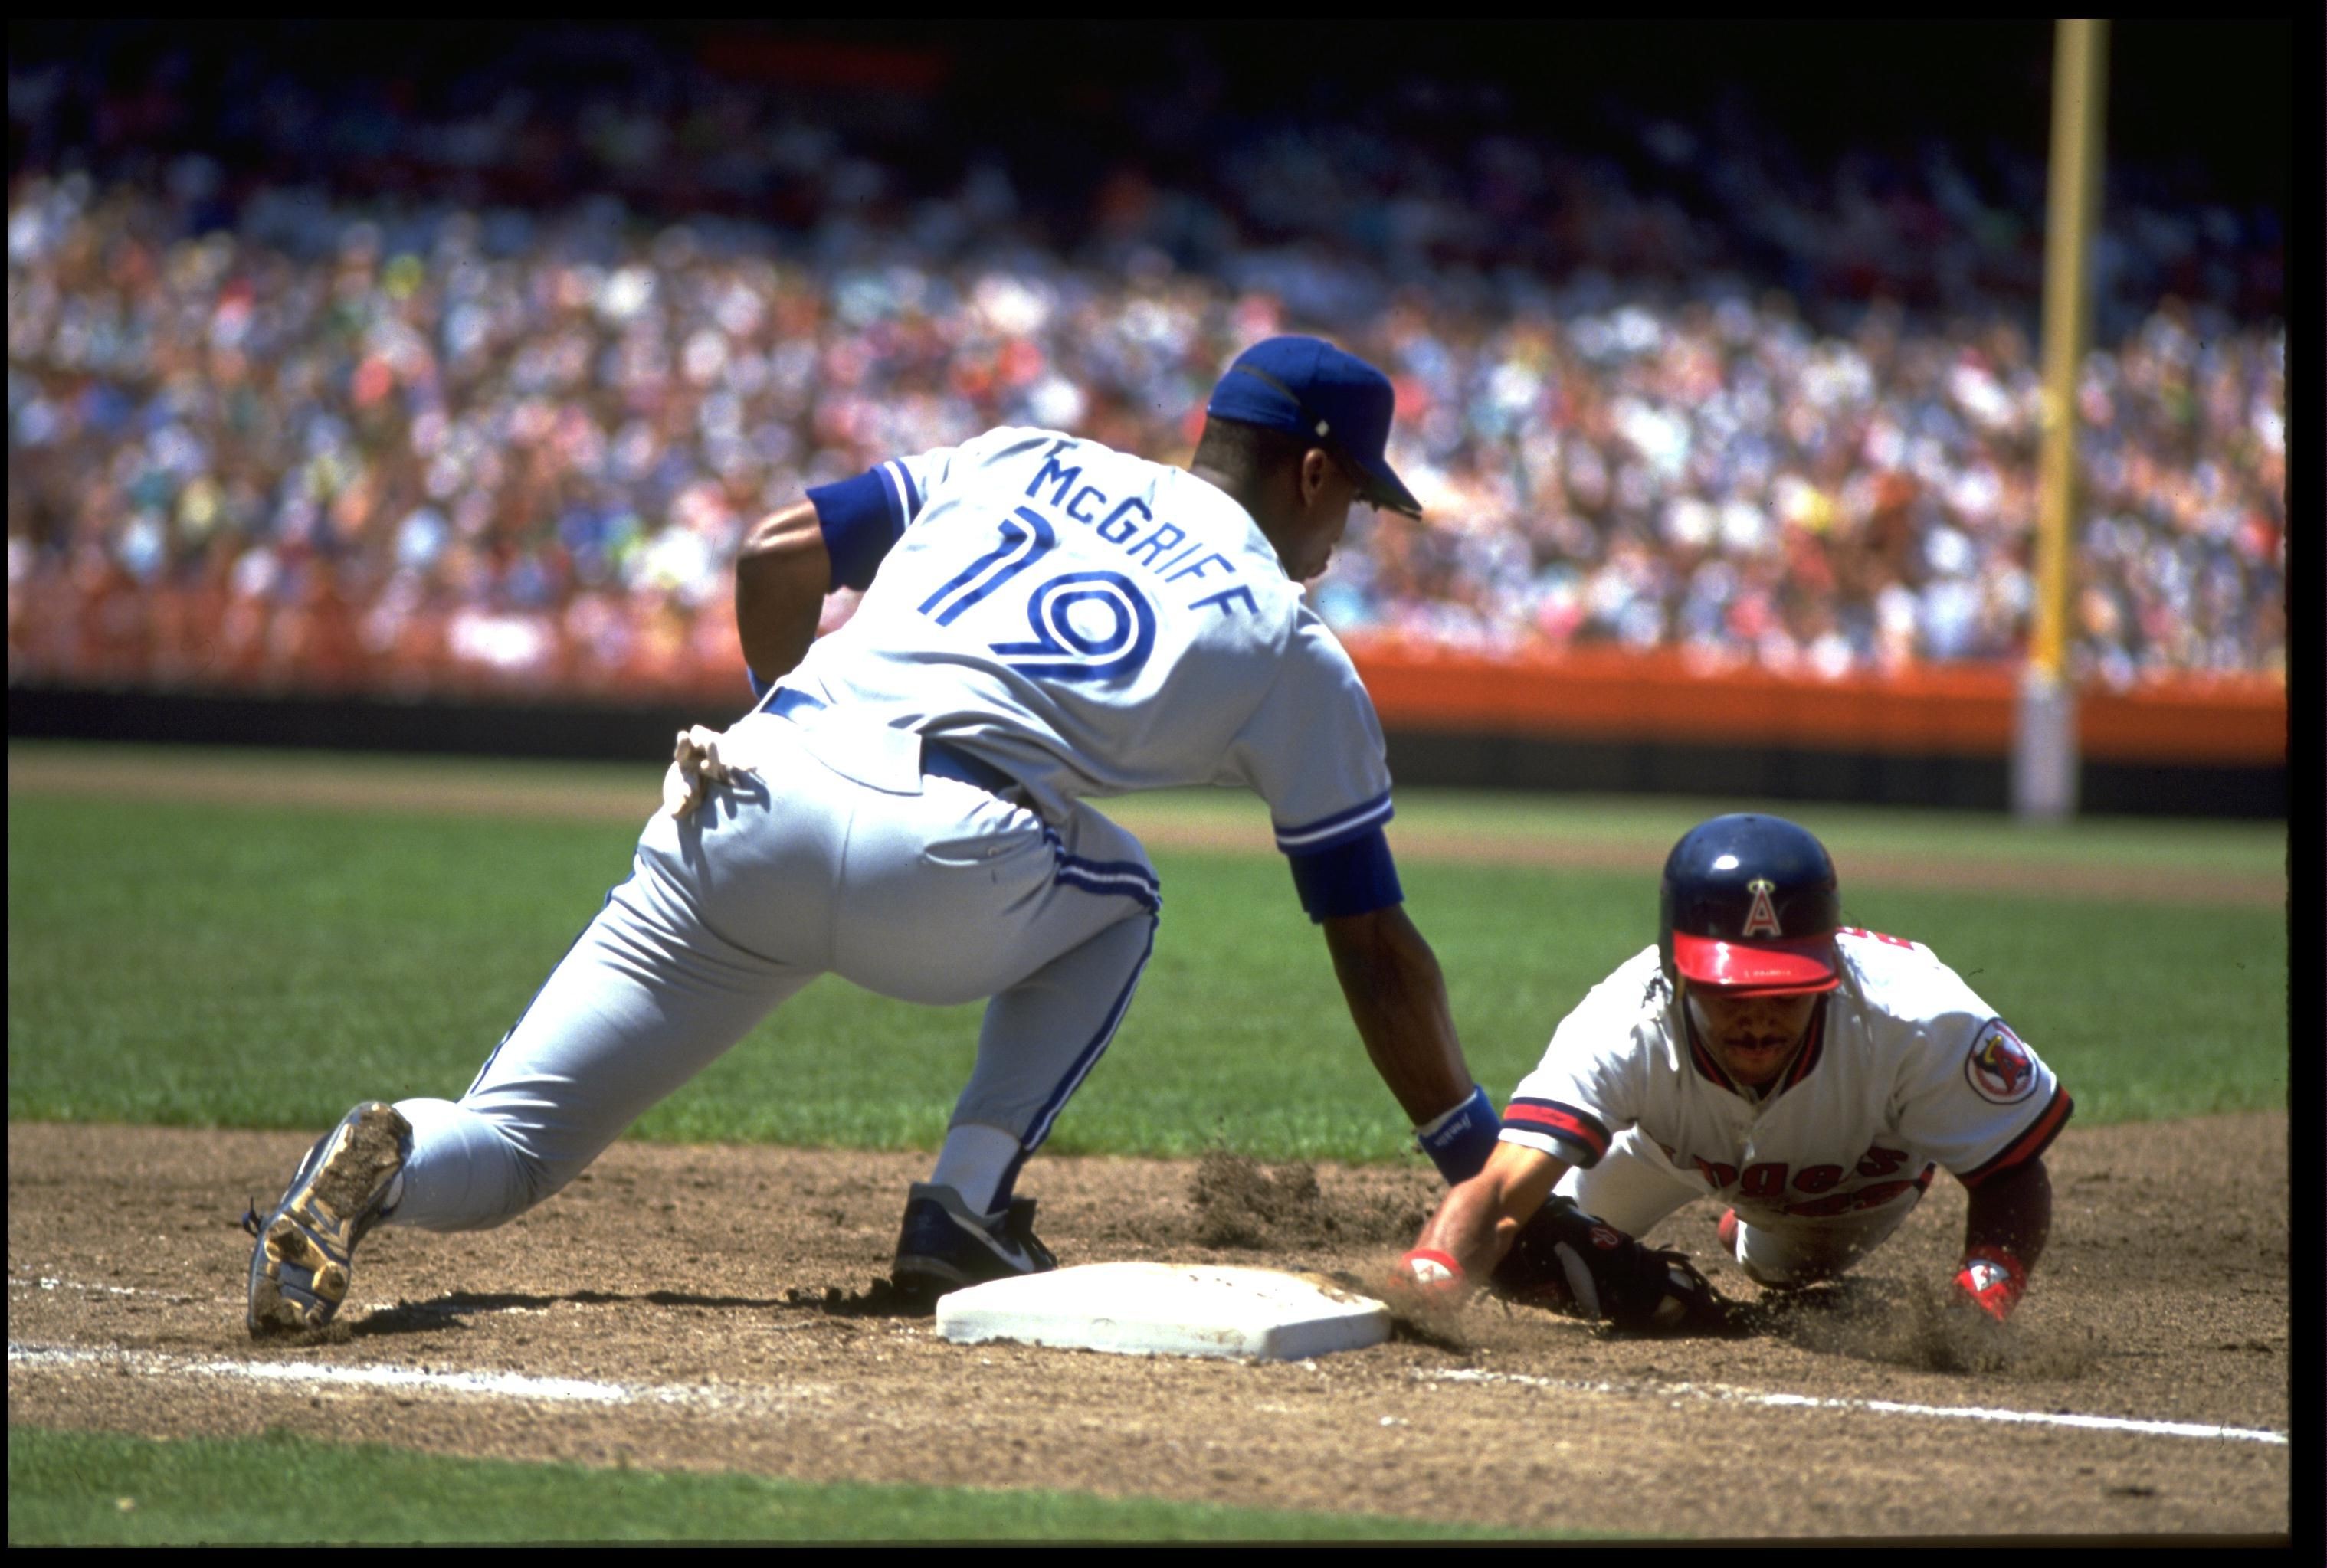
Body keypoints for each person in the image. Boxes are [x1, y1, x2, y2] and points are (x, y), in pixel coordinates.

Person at [244, 336, 1513, 1335]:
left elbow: (778, 547)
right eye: (1351, 500)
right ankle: (963, 1201)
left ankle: (394, 1149)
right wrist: (1477, 1157)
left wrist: (783, 735)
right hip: (944, 857)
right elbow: (1367, 934)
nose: (1343, 537)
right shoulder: (1290, 641)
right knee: (1122, 890)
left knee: (512, 1145)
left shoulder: (1023, 454)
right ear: (1309, 471)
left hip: (742, 798)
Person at [1396, 813, 2070, 1334]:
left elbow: (2008, 1170)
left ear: (1829, 969)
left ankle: (1743, 1233)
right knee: (1538, 1245)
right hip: (1664, 1150)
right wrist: (1432, 1273)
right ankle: (1646, 1273)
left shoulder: (1913, 1015)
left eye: (1785, 990)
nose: (1758, 1019)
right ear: (1676, 968)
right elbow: (1500, 1187)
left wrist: (1983, 1297)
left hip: (1848, 1181)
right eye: (1731, 991)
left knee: (1778, 1269)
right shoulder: (1625, 1020)